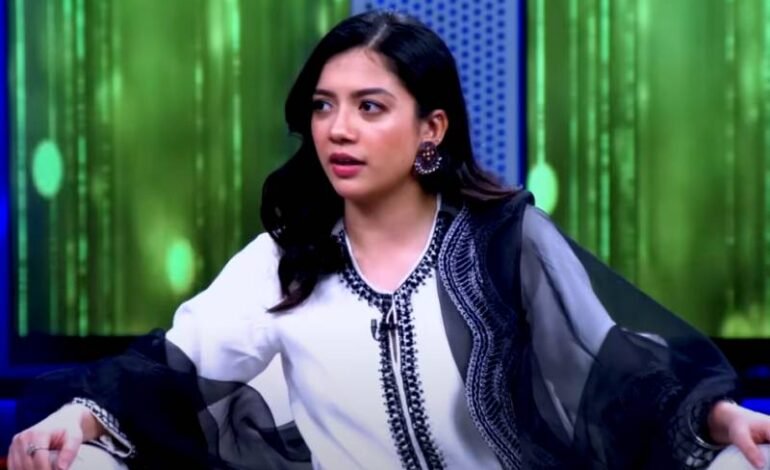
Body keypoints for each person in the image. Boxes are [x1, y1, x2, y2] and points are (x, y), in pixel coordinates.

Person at [7, 9, 770, 470]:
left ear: (430, 128)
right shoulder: (286, 258)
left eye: (369, 107)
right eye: (324, 106)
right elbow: (167, 371)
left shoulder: (503, 241)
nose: (338, 129)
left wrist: (718, 418)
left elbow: (616, 369)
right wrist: (77, 418)